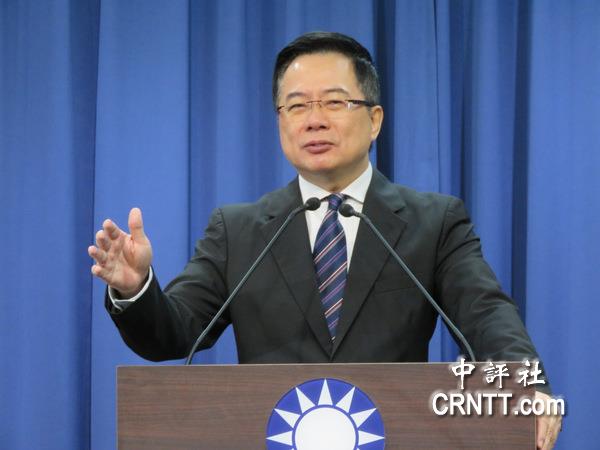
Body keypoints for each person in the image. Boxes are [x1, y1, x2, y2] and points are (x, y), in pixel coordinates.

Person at [88, 31, 561, 448]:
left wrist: (528, 385)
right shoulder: (237, 230)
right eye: (296, 106)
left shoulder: (434, 222)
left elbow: (485, 313)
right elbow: (174, 333)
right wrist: (135, 288)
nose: (314, 120)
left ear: (374, 120)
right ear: (280, 122)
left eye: (335, 103)